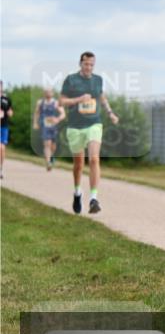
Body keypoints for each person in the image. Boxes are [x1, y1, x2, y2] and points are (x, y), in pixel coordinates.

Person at [59, 52, 119, 214]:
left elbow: (102, 98)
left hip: (94, 123)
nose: (89, 67)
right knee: (78, 165)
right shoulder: (71, 80)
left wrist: (110, 113)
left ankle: (93, 199)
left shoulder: (98, 80)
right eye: (86, 64)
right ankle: (77, 192)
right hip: (75, 126)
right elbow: (62, 101)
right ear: (80, 64)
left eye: (92, 65)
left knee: (94, 158)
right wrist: (78, 100)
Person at [33, 87, 66, 171]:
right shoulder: (40, 102)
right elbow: (36, 113)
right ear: (44, 93)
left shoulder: (56, 103)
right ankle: (48, 163)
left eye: (50, 91)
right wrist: (35, 123)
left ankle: (51, 156)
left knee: (53, 146)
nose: (48, 93)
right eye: (46, 92)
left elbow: (63, 114)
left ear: (52, 93)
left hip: (53, 126)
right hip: (44, 126)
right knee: (47, 144)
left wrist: (57, 119)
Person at [0, 81, 12, 180]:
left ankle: (1, 169)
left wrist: (8, 112)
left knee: (2, 147)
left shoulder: (6, 99)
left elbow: (10, 111)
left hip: (3, 126)